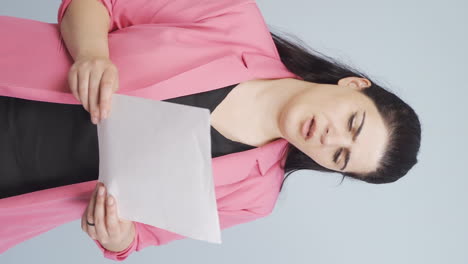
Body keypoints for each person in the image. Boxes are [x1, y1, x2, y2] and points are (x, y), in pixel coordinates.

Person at [0, 0, 421, 261]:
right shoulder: (233, 16)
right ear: (352, 86)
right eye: (353, 122)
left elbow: (136, 237)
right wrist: (92, 53)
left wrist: (116, 233)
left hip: (14, 195)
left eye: (341, 156)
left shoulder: (254, 197)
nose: (330, 139)